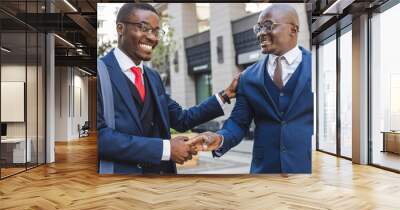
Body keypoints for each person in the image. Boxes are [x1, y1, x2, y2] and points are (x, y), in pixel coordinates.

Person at [97, 3, 239, 174]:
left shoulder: (153, 77)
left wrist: (225, 95)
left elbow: (181, 119)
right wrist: (166, 149)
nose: (153, 38)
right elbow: (100, 138)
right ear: (120, 28)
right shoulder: (98, 73)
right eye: (144, 28)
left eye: (156, 32)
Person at [190, 4, 313, 174]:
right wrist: (219, 138)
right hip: (264, 172)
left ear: (293, 29)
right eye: (259, 27)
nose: (261, 33)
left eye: (268, 26)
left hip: (310, 170)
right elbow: (238, 123)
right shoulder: (248, 76)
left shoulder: (318, 66)